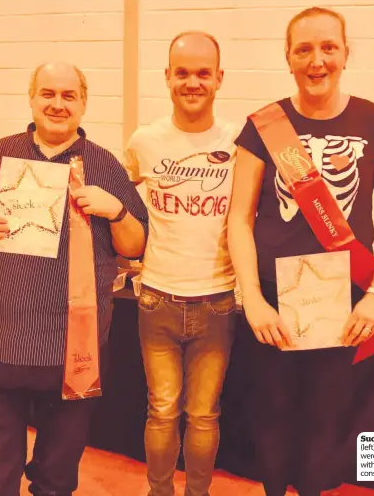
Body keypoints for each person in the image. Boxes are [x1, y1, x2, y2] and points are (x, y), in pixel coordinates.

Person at [0, 62, 148, 496]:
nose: (57, 104)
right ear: (32, 98)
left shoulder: (105, 165)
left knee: (57, 473)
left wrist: (116, 211)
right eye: (48, 94)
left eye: (69, 96)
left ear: (84, 103)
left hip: (71, 352)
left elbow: (135, 244)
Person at [227, 7, 374, 496]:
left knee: (324, 416)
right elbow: (239, 219)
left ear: (347, 53)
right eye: (303, 48)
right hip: (273, 299)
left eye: (328, 47)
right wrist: (253, 299)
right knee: (273, 413)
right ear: (287, 57)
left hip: (345, 295)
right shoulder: (263, 126)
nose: (317, 59)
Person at [122, 31, 239, 496]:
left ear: (219, 79)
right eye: (183, 73)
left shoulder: (238, 140)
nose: (193, 82)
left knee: (205, 414)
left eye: (203, 73)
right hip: (157, 298)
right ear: (167, 77)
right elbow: (119, 195)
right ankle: (159, 492)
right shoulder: (144, 140)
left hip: (218, 300)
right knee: (162, 411)